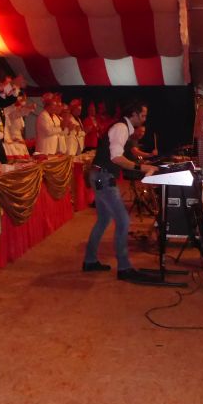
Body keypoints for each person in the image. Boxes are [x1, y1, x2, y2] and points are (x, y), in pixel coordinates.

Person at [82, 100, 158, 284]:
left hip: (100, 175)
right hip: (103, 177)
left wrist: (142, 163)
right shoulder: (121, 128)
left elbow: (121, 156)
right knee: (123, 220)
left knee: (103, 220)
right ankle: (124, 268)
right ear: (134, 114)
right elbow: (116, 158)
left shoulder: (123, 128)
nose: (144, 118)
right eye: (143, 115)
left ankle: (90, 261)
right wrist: (142, 167)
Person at [2, 93, 31, 160]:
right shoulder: (9, 111)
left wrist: (28, 108)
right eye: (21, 100)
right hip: (11, 139)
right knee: (14, 158)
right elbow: (14, 115)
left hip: (18, 139)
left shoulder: (17, 112)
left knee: (23, 159)